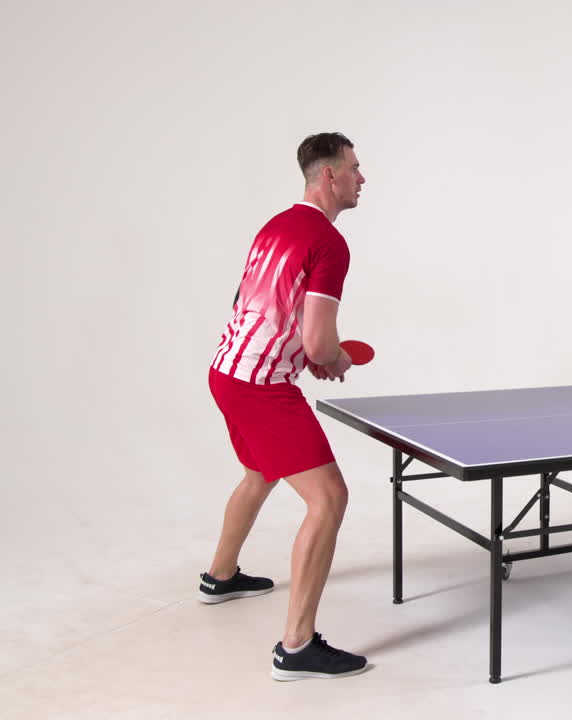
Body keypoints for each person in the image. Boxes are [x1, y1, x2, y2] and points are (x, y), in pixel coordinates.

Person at [205, 132, 370, 679]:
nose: (361, 178)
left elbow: (251, 302)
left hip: (227, 371)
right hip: (262, 389)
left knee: (259, 472)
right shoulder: (329, 242)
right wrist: (333, 358)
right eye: (354, 168)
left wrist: (308, 350)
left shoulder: (275, 225)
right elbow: (323, 343)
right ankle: (297, 647)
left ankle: (220, 577)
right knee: (329, 498)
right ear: (330, 176)